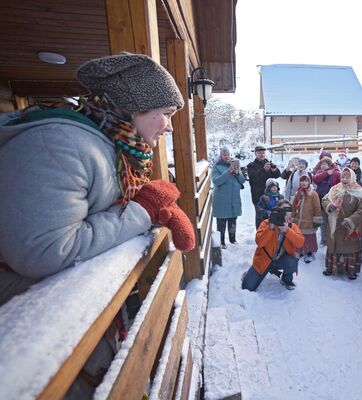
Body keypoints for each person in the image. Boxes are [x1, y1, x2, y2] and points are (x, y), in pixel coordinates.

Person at [0, 52, 195, 306]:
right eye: (167, 113)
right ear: (135, 107)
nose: (169, 126)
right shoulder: (56, 146)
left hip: (72, 305)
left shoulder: (112, 147)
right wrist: (143, 209)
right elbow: (45, 253)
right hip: (32, 319)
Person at [242, 200, 305, 291]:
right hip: (264, 260)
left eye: (288, 209)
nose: (286, 212)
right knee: (247, 287)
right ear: (277, 210)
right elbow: (259, 242)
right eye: (283, 209)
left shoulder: (292, 227)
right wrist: (270, 228)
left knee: (292, 262)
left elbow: (300, 243)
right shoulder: (267, 223)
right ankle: (249, 274)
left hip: (281, 260)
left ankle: (286, 280)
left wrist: (287, 231)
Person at [322, 167, 362, 279]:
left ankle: (350, 271)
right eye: (343, 176)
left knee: (349, 248)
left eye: (347, 177)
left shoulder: (359, 191)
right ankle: (331, 268)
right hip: (335, 225)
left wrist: (351, 220)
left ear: (352, 178)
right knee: (334, 246)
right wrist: (329, 206)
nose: (344, 179)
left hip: (350, 227)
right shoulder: (335, 188)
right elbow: (324, 199)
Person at [211, 146, 245, 249]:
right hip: (221, 199)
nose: (227, 156)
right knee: (221, 221)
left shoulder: (234, 165)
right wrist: (228, 172)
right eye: (224, 155)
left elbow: (243, 180)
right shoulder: (216, 167)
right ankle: (221, 242)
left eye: (228, 154)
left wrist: (237, 173)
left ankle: (233, 239)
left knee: (232, 220)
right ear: (220, 156)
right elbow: (216, 181)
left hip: (234, 198)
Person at [247, 144, 281, 228]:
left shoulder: (268, 163)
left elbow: (277, 175)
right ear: (255, 154)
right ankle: (260, 235)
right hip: (258, 196)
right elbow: (253, 179)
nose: (261, 154)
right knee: (260, 216)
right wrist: (264, 170)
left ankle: (268, 235)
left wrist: (275, 169)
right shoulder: (251, 165)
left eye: (263, 153)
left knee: (270, 217)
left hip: (270, 197)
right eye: (259, 153)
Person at [292, 174, 322, 263]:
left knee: (309, 237)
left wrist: (316, 220)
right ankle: (300, 251)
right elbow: (294, 206)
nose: (304, 183)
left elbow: (317, 207)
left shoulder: (313, 193)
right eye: (302, 181)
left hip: (309, 221)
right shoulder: (298, 193)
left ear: (309, 182)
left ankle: (309, 252)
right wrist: (293, 216)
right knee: (300, 236)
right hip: (299, 221)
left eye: (306, 181)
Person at [313, 156, 341, 245]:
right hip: (321, 201)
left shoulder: (336, 173)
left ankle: (332, 239)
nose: (322, 166)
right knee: (323, 222)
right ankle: (324, 240)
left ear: (329, 165)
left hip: (331, 201)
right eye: (321, 164)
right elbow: (315, 179)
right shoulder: (319, 173)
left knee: (332, 221)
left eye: (324, 164)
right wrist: (326, 173)